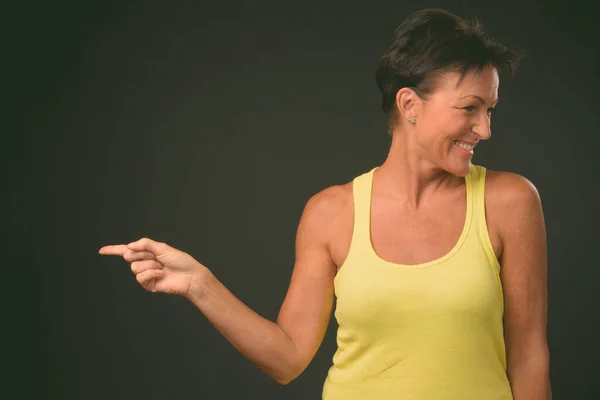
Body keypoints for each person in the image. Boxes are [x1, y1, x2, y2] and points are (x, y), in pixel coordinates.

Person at [99, 8, 551, 399]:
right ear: (409, 103)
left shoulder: (509, 201)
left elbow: (529, 357)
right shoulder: (331, 214)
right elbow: (288, 357)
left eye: (489, 111)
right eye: (470, 108)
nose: (485, 129)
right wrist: (200, 284)